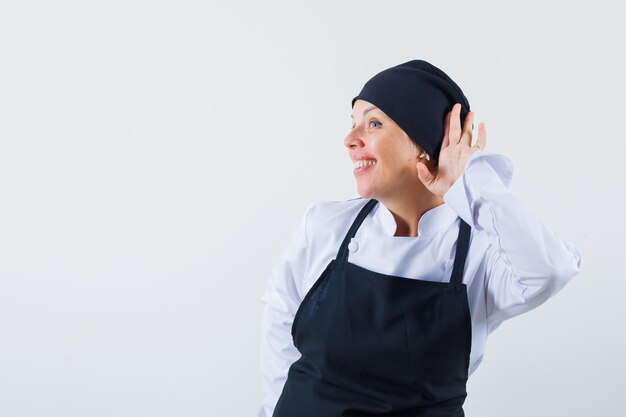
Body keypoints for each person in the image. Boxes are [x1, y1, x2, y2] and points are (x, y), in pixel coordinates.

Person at [257, 59, 583, 417]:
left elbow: (551, 270)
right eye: (353, 124)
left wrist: (469, 181)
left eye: (374, 123)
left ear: (424, 142)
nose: (350, 140)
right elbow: (279, 321)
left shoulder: (482, 254)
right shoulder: (324, 225)